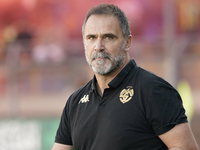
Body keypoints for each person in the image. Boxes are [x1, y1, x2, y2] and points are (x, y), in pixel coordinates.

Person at [52, 3, 199, 150]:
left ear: (127, 42)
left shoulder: (153, 90)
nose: (98, 46)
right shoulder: (74, 102)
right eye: (91, 37)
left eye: (108, 37)